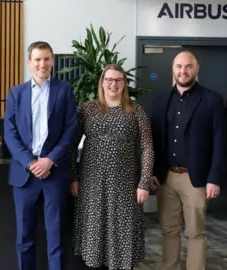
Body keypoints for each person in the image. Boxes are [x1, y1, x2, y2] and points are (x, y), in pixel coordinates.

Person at [70, 64, 154, 270]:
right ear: (102, 82)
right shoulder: (86, 109)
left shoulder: (136, 110)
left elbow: (147, 148)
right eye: (109, 79)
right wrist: (73, 177)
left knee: (122, 232)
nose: (113, 84)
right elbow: (72, 145)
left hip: (124, 183)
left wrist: (144, 183)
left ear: (124, 83)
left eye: (118, 80)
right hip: (91, 182)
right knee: (95, 232)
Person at [3, 41, 77, 270]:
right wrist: (30, 162)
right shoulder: (16, 93)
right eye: (37, 59)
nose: (42, 64)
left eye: (46, 59)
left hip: (54, 174)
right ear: (29, 62)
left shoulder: (64, 90)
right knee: (25, 238)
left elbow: (71, 129)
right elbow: (9, 132)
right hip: (25, 176)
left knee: (55, 237)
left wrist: (49, 160)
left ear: (52, 61)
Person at [150, 51, 226, 270]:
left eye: (188, 66)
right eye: (179, 66)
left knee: (195, 232)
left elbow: (220, 142)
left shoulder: (212, 100)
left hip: (197, 178)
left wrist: (215, 178)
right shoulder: (161, 98)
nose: (183, 71)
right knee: (169, 230)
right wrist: (153, 172)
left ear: (197, 68)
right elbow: (155, 139)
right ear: (173, 69)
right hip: (166, 177)